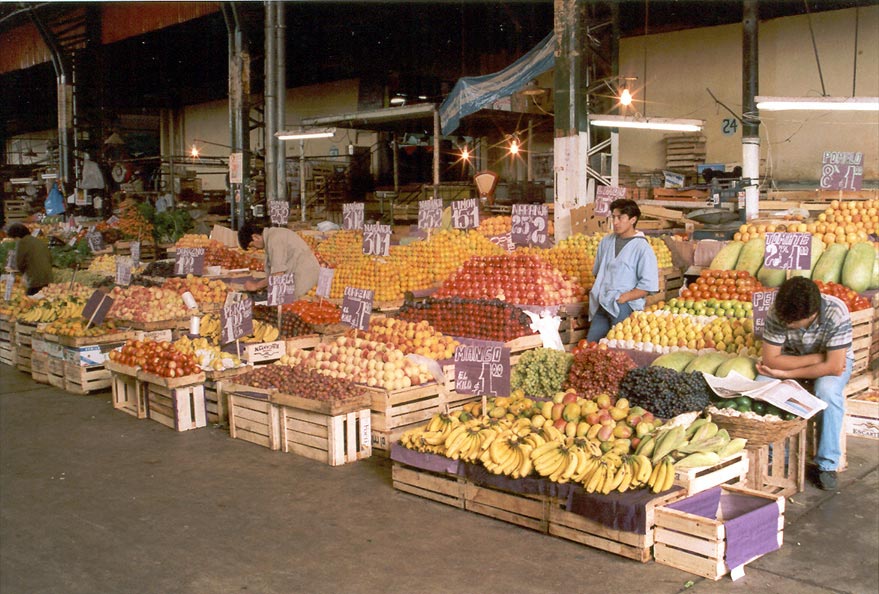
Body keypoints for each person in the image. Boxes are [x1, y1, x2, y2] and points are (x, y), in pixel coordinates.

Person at [755, 276, 853, 491]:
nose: (786, 324)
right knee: (762, 385)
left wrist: (786, 373)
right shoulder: (779, 310)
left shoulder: (836, 312)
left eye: (791, 323)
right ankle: (776, 453)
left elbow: (835, 367)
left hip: (822, 363)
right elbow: (771, 360)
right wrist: (818, 358)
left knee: (827, 391)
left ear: (811, 316)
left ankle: (827, 464)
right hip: (801, 358)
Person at [586, 199, 659, 343]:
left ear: (633, 219)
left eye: (620, 218)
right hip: (603, 302)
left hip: (625, 305)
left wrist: (624, 297)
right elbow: (598, 272)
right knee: (591, 345)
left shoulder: (642, 248)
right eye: (613, 217)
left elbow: (648, 285)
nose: (615, 222)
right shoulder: (606, 241)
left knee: (619, 347)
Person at [237, 221, 320, 300]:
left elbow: (277, 275)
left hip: (303, 275)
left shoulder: (275, 240)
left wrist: (256, 285)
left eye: (252, 246)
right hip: (301, 273)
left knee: (291, 303)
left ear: (255, 237)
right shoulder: (273, 235)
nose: (254, 249)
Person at [6, 222, 52, 296]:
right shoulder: (38, 241)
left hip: (35, 280)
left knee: (31, 298)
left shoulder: (22, 243)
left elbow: (19, 263)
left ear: (16, 236)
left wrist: (21, 273)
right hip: (48, 278)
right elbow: (49, 258)